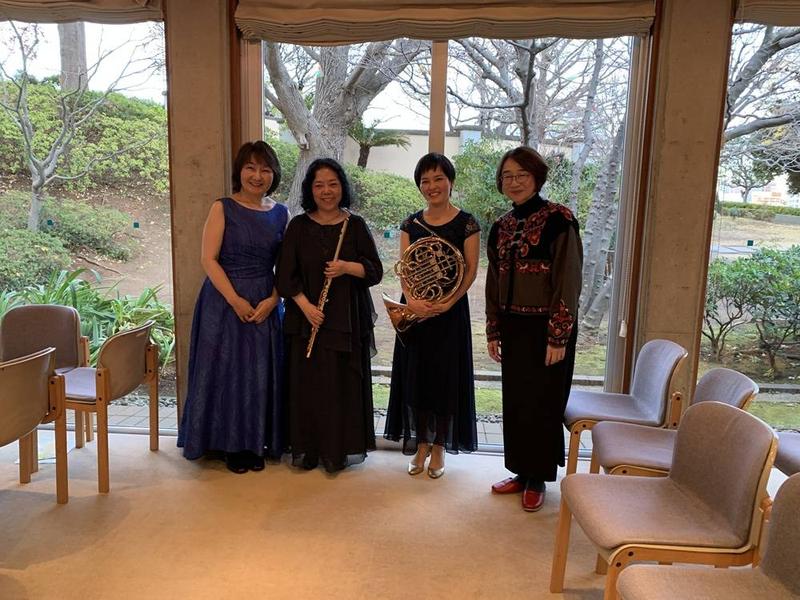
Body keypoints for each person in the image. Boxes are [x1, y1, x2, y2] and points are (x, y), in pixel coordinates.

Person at [178, 140, 288, 474]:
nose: (258, 176)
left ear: (274, 175)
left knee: (259, 373)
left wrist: (274, 299)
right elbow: (208, 259)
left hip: (265, 300)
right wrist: (235, 299)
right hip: (223, 302)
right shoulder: (222, 207)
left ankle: (255, 442)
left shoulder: (281, 213)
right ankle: (227, 445)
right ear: (239, 171)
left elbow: (286, 266)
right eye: (251, 168)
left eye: (265, 169)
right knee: (225, 371)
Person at [485, 146, 583, 511]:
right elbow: (493, 281)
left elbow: (568, 280)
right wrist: (493, 330)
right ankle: (520, 471)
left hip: (547, 330)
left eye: (521, 175)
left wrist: (559, 335)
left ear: (537, 177)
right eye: (507, 176)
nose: (514, 182)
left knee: (543, 403)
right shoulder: (501, 226)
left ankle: (538, 477)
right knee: (517, 402)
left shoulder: (560, 219)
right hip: (513, 328)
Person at [276, 158, 383, 473]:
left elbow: (374, 271)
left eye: (333, 184)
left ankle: (337, 452)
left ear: (342, 187)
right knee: (308, 387)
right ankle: (308, 451)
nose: (326, 191)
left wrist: (346, 267)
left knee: (340, 388)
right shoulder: (298, 226)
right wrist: (306, 307)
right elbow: (284, 277)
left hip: (345, 321)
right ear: (310, 189)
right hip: (306, 320)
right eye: (319, 185)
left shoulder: (355, 225)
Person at [384, 153, 480, 478]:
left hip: (449, 311)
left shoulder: (467, 223)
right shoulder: (410, 224)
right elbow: (405, 268)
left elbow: (470, 271)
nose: (432, 186)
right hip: (417, 310)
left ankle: (439, 446)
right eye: (425, 180)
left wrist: (449, 302)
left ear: (450, 182)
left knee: (445, 379)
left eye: (438, 178)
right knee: (418, 378)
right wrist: (412, 301)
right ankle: (421, 443)